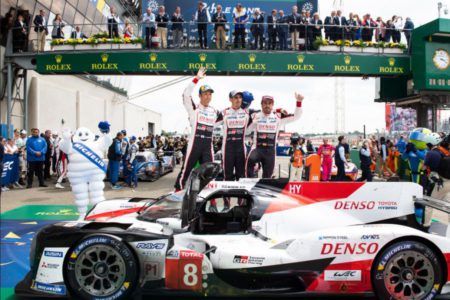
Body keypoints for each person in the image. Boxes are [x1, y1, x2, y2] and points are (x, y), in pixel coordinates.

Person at [174, 68, 221, 191]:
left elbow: (230, 116)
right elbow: (186, 95)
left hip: (207, 146)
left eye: (210, 94)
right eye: (205, 93)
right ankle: (178, 192)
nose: (208, 96)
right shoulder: (194, 109)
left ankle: (210, 199)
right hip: (194, 144)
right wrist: (196, 79)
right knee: (186, 170)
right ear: (200, 96)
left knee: (210, 172)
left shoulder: (215, 111)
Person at [246, 93, 304, 179]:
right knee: (249, 161)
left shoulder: (278, 116)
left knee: (268, 177)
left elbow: (296, 116)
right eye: (265, 103)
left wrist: (299, 102)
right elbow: (247, 131)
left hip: (270, 151)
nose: (267, 105)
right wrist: (251, 122)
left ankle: (264, 188)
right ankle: (249, 183)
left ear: (272, 105)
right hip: (257, 148)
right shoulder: (255, 115)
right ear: (261, 105)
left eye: (269, 103)